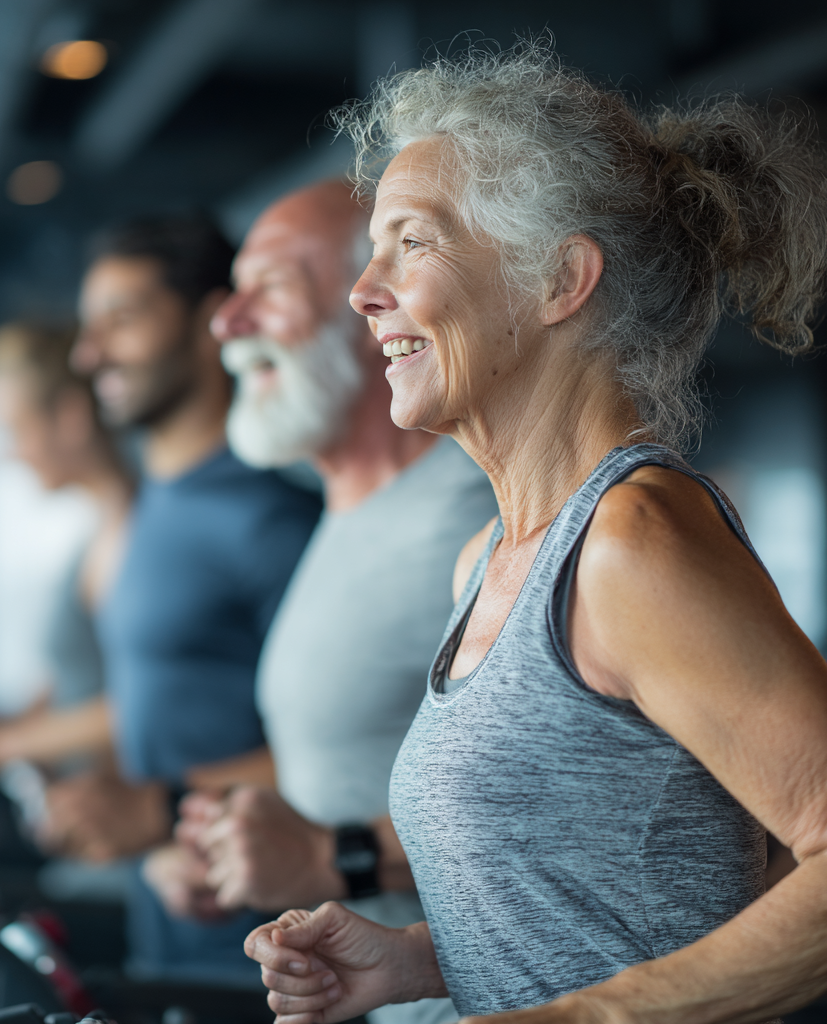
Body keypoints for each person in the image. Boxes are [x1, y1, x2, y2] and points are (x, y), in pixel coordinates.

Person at [246, 44, 827, 1024]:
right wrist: (416, 961)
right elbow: (633, 896)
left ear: (559, 279)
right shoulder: (490, 561)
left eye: (411, 243)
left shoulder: (631, 543)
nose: (363, 291)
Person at [146, 181, 496, 1024]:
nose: (225, 324)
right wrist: (236, 844)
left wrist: (328, 856)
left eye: (269, 289)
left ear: (373, 307)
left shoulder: (471, 514)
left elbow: (567, 813)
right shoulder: (340, 511)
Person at [43, 216, 322, 983]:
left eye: (122, 320)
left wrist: (163, 808)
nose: (88, 353)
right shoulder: (151, 509)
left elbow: (347, 752)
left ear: (208, 322)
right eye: (88, 327)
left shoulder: (268, 518)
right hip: (167, 935)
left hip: (271, 966)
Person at [0, 321, 132, 786]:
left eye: (14, 431)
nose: (6, 454)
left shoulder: (135, 536)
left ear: (70, 417)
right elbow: (79, 687)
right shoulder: (97, 535)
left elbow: (145, 706)